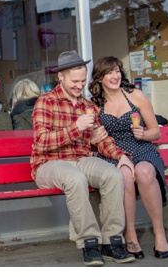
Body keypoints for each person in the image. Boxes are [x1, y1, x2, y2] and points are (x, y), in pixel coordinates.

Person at [31, 50, 136, 266]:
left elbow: (102, 139)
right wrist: (76, 128)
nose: (80, 86)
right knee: (75, 179)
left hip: (81, 159)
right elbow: (41, 142)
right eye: (74, 81)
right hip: (49, 164)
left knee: (114, 175)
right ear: (61, 77)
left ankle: (112, 240)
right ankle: (89, 241)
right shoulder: (46, 102)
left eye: (82, 80)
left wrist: (121, 156)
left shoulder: (88, 106)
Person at [89, 56, 168, 260]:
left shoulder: (135, 96)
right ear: (99, 78)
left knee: (144, 172)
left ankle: (159, 233)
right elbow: (90, 140)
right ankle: (130, 234)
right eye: (109, 72)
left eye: (117, 71)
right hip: (113, 153)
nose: (115, 76)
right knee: (124, 176)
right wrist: (93, 139)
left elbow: (156, 133)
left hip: (141, 148)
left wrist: (143, 133)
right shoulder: (94, 105)